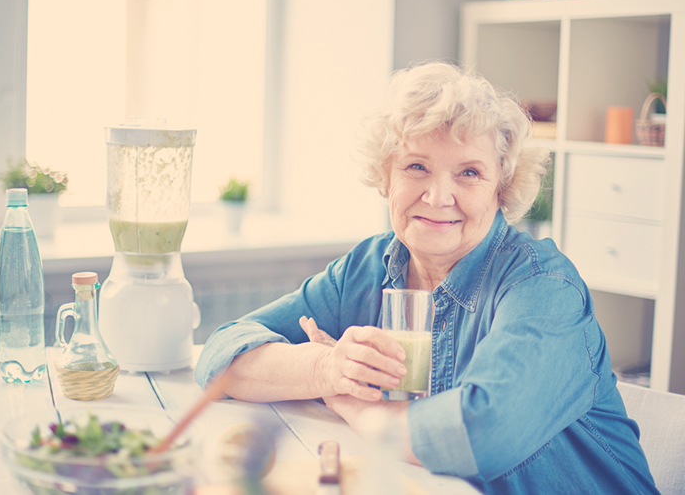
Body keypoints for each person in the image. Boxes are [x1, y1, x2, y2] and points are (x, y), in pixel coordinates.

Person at [194, 62, 659, 494]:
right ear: (386, 177)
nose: (438, 196)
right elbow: (222, 355)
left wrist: (356, 406)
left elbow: (483, 436)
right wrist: (327, 369)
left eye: (469, 172)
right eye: (416, 166)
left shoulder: (542, 287)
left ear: (502, 189)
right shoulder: (370, 266)